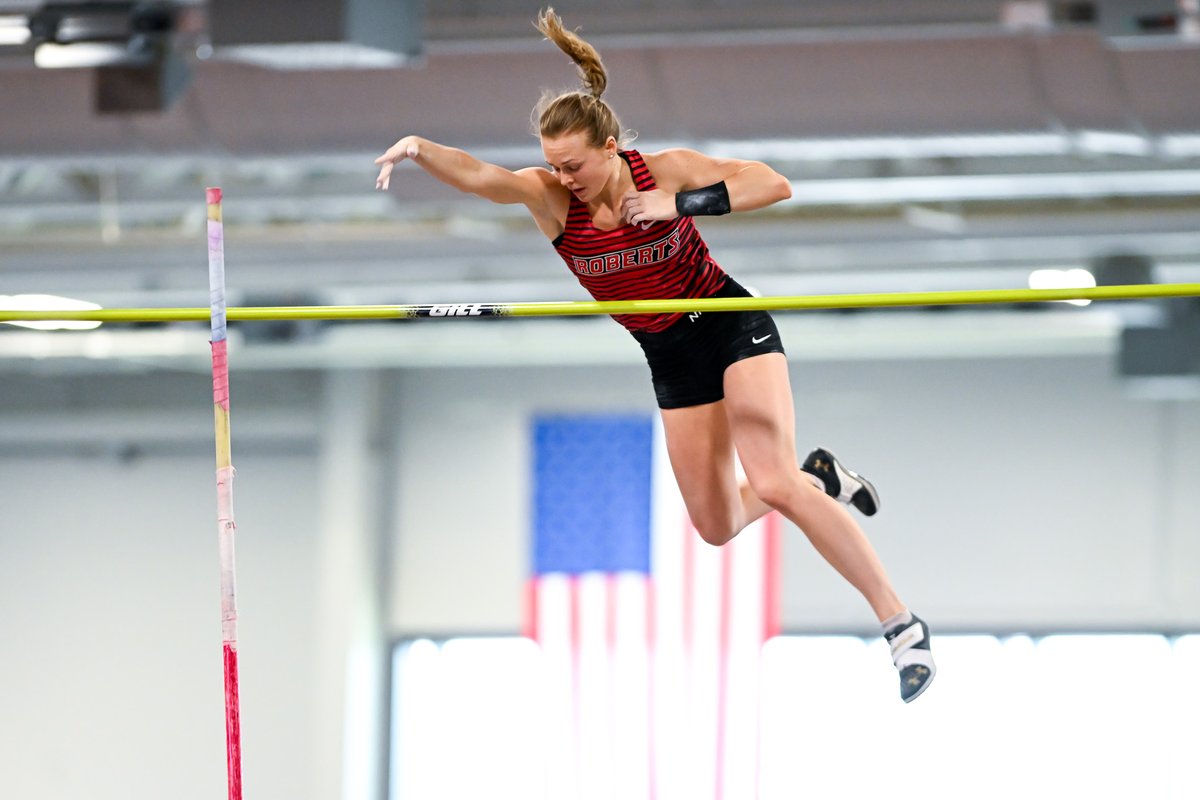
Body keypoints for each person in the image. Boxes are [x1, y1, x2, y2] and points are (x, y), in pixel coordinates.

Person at [374, 8, 935, 703]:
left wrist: (681, 204)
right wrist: (419, 148)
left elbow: (773, 183)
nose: (563, 177)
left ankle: (901, 625)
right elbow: (482, 175)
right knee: (716, 526)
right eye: (553, 165)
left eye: (574, 164)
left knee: (771, 482)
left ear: (610, 147)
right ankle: (820, 476)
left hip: (728, 325)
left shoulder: (661, 171)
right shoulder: (553, 201)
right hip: (668, 356)